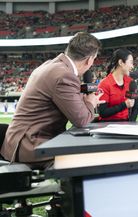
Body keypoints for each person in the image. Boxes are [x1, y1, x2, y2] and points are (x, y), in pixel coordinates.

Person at [0, 32, 103, 169]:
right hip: (30, 145)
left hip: (19, 141)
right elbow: (81, 120)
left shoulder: (51, 65)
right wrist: (91, 102)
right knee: (91, 159)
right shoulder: (64, 75)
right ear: (89, 60)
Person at [98, 48, 138, 122]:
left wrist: (131, 125)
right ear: (121, 62)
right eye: (131, 62)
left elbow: (135, 108)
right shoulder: (104, 84)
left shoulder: (131, 83)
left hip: (125, 126)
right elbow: (103, 112)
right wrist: (124, 105)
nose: (132, 66)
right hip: (106, 126)